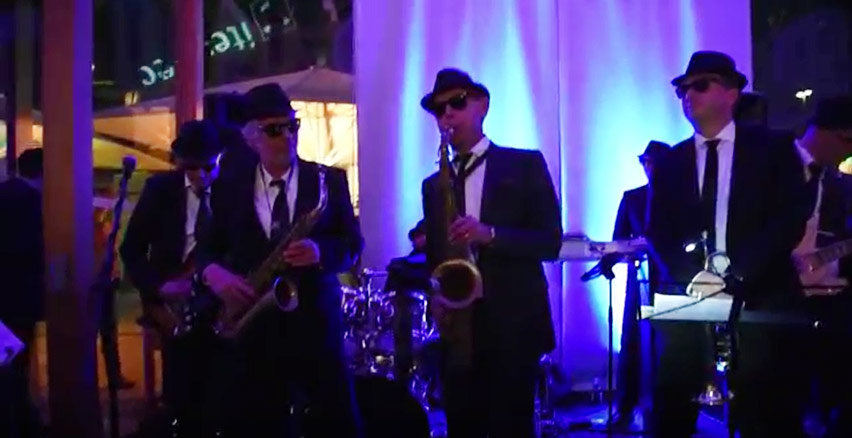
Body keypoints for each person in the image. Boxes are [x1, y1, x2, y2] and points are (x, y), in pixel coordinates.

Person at [647, 51, 807, 437]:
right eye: (683, 89)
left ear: (732, 93)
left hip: (761, 295)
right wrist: (692, 277)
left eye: (701, 85)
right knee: (672, 408)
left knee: (768, 412)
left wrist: (736, 273)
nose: (689, 95)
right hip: (689, 300)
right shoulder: (671, 162)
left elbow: (789, 219)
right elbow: (658, 231)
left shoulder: (773, 149)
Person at [197, 83, 363, 437]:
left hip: (316, 327)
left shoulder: (328, 180)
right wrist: (213, 273)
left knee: (337, 423)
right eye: (275, 129)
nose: (287, 136)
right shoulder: (228, 186)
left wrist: (321, 253)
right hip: (255, 329)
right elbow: (205, 248)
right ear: (251, 137)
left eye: (292, 126)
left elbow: (352, 246)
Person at [419, 68, 562, 438]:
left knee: (510, 427)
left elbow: (550, 242)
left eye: (457, 103)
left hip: (513, 322)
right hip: (459, 327)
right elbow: (437, 257)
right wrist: (436, 294)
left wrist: (490, 234)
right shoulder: (434, 185)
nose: (447, 114)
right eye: (439, 110)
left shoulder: (525, 165)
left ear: (482, 105)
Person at [120, 120, 226, 424]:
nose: (200, 175)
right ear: (179, 162)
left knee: (222, 395)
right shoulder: (160, 190)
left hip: (221, 305)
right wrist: (158, 288)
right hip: (174, 307)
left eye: (208, 167)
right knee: (181, 396)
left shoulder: (233, 190)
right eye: (191, 167)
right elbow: (131, 249)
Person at [792, 96, 852, 437]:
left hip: (830, 298)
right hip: (777, 299)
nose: (848, 153)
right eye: (847, 141)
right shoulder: (773, 166)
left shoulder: (839, 185)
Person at [609, 139, 669, 428]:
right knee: (631, 340)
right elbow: (617, 240)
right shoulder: (632, 198)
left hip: (672, 280)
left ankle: (668, 408)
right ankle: (626, 405)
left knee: (668, 344)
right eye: (646, 162)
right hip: (640, 279)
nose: (649, 168)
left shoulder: (682, 199)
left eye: (654, 162)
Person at [0, 148, 46, 437]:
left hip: (6, 300)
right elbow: (30, 249)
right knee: (15, 369)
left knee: (8, 368)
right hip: (17, 300)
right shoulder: (29, 200)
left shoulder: (5, 193)